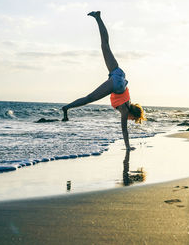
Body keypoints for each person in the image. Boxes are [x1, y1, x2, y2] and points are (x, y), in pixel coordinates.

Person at [61, 11, 146, 150]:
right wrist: (128, 147)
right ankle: (66, 108)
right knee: (89, 98)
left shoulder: (128, 104)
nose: (130, 120)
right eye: (133, 119)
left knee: (105, 45)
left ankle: (98, 17)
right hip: (117, 82)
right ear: (132, 114)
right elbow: (124, 130)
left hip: (118, 75)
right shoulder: (125, 110)